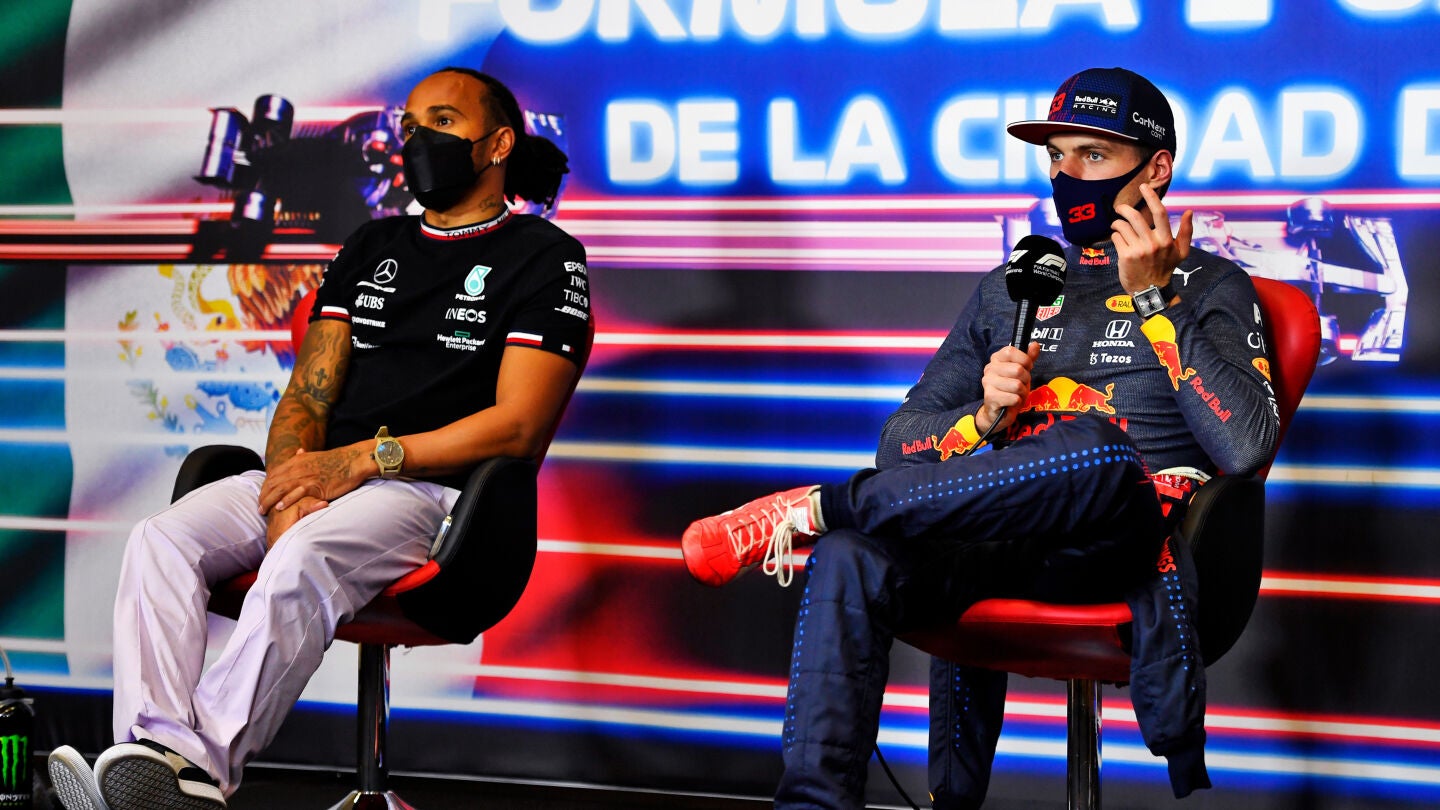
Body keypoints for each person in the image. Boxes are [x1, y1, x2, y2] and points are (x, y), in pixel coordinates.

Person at [681, 67, 1279, 809]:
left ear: (1156, 169)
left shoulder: (1211, 285)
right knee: (848, 557)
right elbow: (899, 444)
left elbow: (1246, 448)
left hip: (1122, 544)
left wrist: (1155, 299)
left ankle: (816, 508)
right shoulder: (1013, 287)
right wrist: (983, 419)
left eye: (1092, 154)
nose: (1066, 175)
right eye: (1055, 156)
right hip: (1002, 533)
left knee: (1097, 447)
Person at [46, 67, 592, 810]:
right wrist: (288, 487)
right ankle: (151, 755)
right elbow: (308, 393)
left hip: (430, 494)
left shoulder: (545, 256)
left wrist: (361, 461)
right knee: (160, 540)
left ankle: (196, 770)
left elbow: (520, 427)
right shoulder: (372, 244)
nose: (418, 140)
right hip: (324, 474)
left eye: (442, 122)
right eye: (410, 126)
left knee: (304, 554)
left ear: (498, 144)